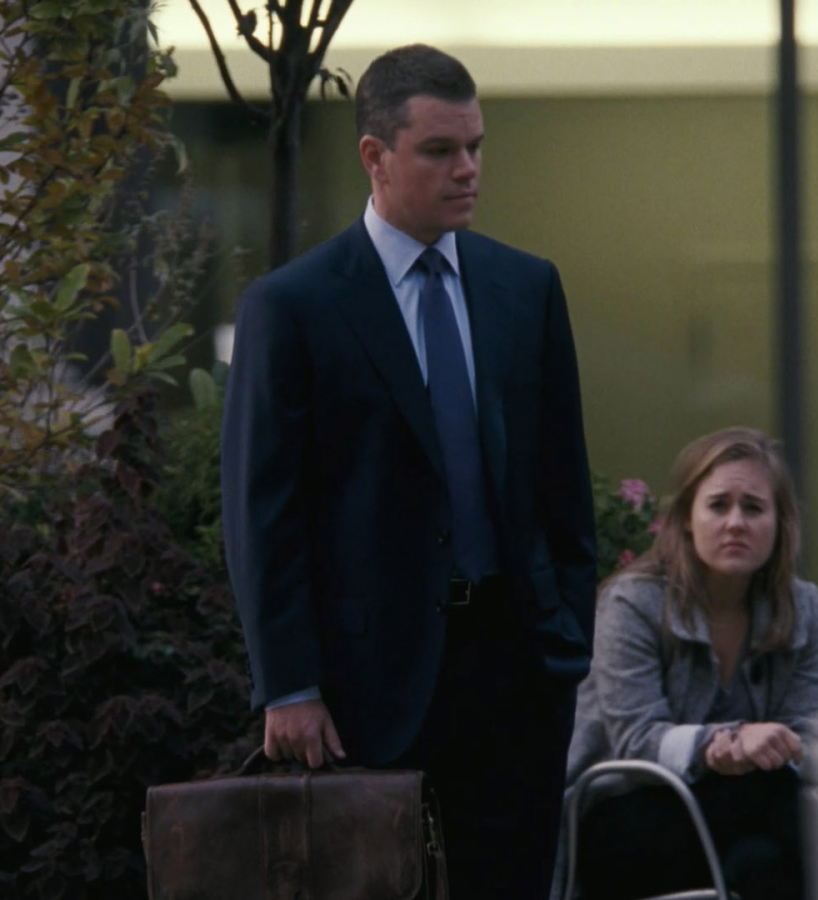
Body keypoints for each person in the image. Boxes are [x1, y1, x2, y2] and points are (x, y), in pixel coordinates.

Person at [220, 43, 597, 899]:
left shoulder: (526, 288)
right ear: (375, 156)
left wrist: (564, 640)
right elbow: (263, 511)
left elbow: (561, 485)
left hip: (517, 674)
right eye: (439, 150)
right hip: (367, 687)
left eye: (475, 147)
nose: (467, 169)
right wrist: (289, 683)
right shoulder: (294, 307)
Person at [563, 427, 818, 900]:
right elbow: (635, 740)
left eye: (753, 508)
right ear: (686, 518)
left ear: (779, 523)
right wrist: (721, 745)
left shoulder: (802, 610)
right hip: (625, 811)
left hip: (746, 815)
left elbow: (803, 735)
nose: (735, 523)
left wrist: (781, 745)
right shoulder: (632, 604)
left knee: (767, 858)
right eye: (718, 505)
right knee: (784, 808)